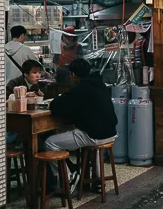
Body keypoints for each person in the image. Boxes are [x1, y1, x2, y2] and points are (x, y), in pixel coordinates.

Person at [45, 59, 118, 191]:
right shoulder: (99, 84)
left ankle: (68, 177)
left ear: (73, 74)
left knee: (50, 143)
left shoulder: (80, 88)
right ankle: (98, 182)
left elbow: (55, 105)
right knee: (92, 145)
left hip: (94, 135)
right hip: (111, 133)